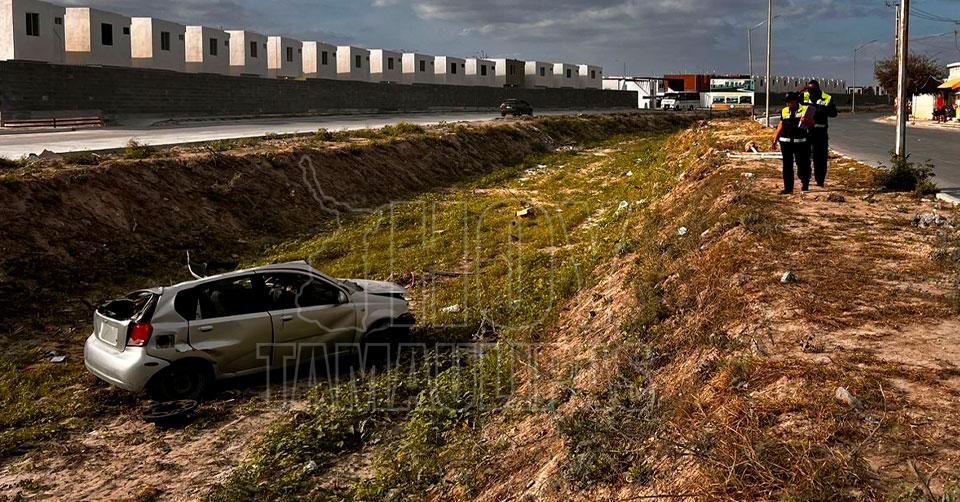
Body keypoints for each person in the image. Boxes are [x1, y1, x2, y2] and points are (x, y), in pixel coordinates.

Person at [772, 92, 812, 194]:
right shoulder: (784, 111)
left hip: (801, 143)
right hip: (786, 143)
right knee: (787, 166)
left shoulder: (805, 109)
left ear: (795, 101)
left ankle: (805, 184)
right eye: (787, 102)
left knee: (802, 164)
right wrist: (775, 139)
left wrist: (806, 120)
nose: (788, 103)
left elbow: (813, 124)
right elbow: (781, 125)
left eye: (790, 101)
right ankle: (788, 188)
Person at [802, 80, 838, 188]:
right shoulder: (804, 96)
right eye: (809, 89)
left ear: (818, 88)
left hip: (820, 131)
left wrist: (822, 110)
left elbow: (834, 113)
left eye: (812, 89)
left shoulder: (826, 98)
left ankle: (820, 180)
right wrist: (800, 91)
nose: (810, 91)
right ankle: (805, 180)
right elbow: (792, 102)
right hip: (806, 131)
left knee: (820, 158)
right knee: (804, 157)